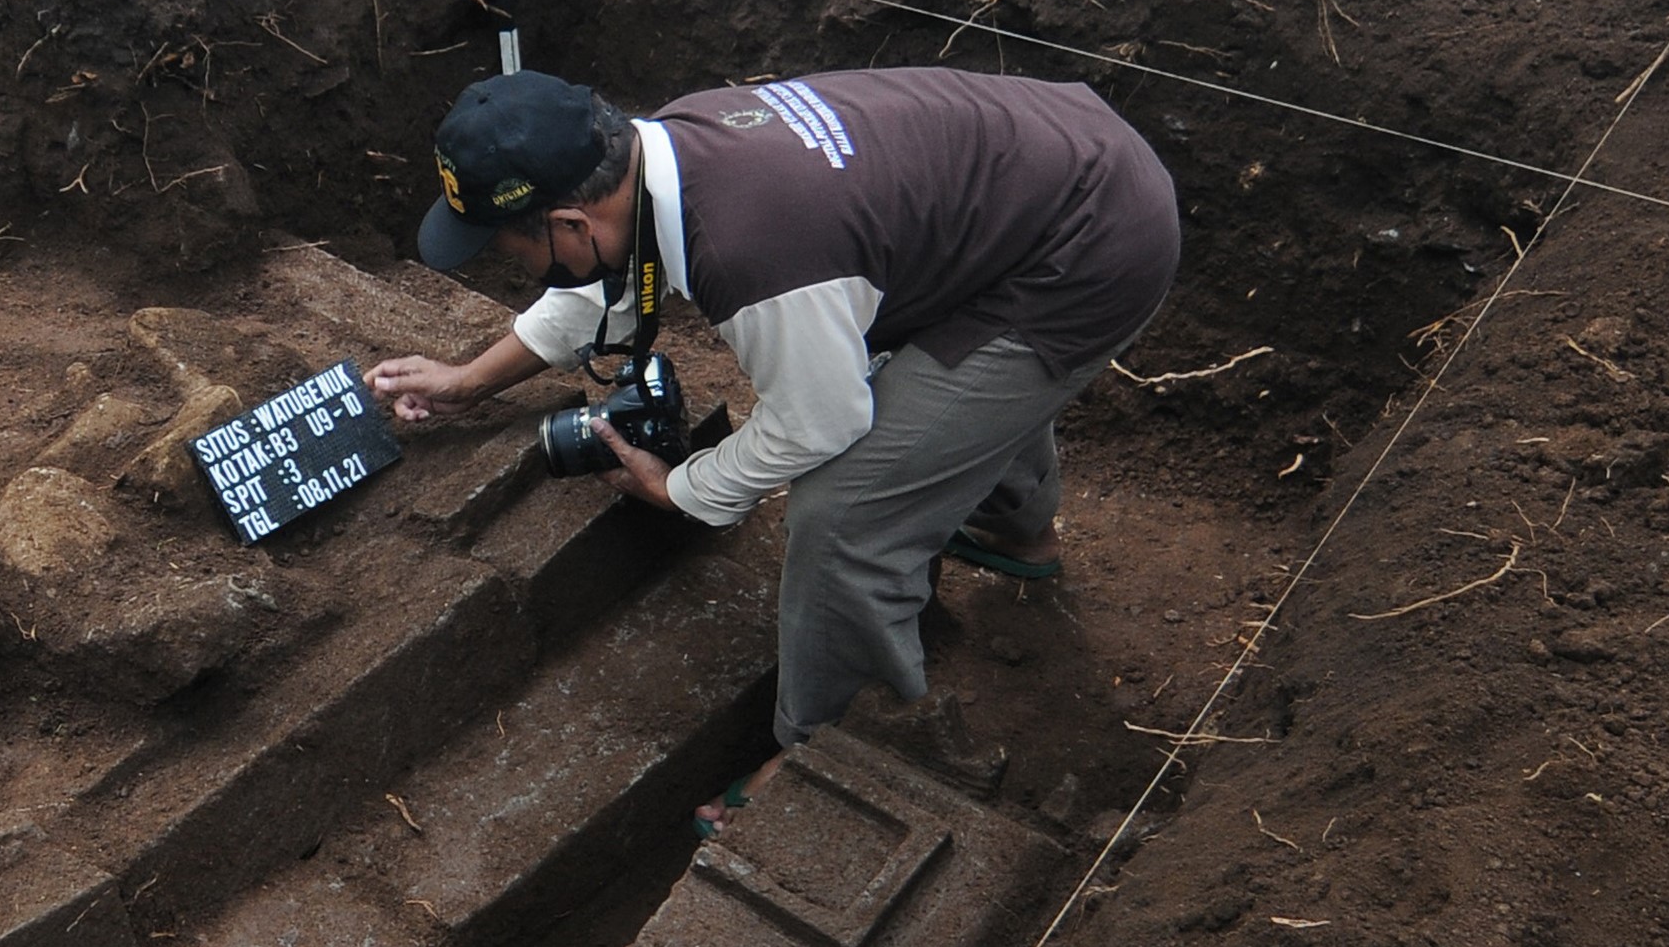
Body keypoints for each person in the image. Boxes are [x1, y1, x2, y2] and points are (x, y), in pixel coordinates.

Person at [365, 65, 1177, 830]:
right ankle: (1012, 528)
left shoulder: (753, 249)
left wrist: (685, 489)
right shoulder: (662, 152)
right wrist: (472, 379)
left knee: (843, 516)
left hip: (1086, 252)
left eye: (512, 249)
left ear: (573, 221)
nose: (515, 267)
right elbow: (600, 282)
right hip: (1052, 165)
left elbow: (819, 423)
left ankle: (830, 743)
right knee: (940, 398)